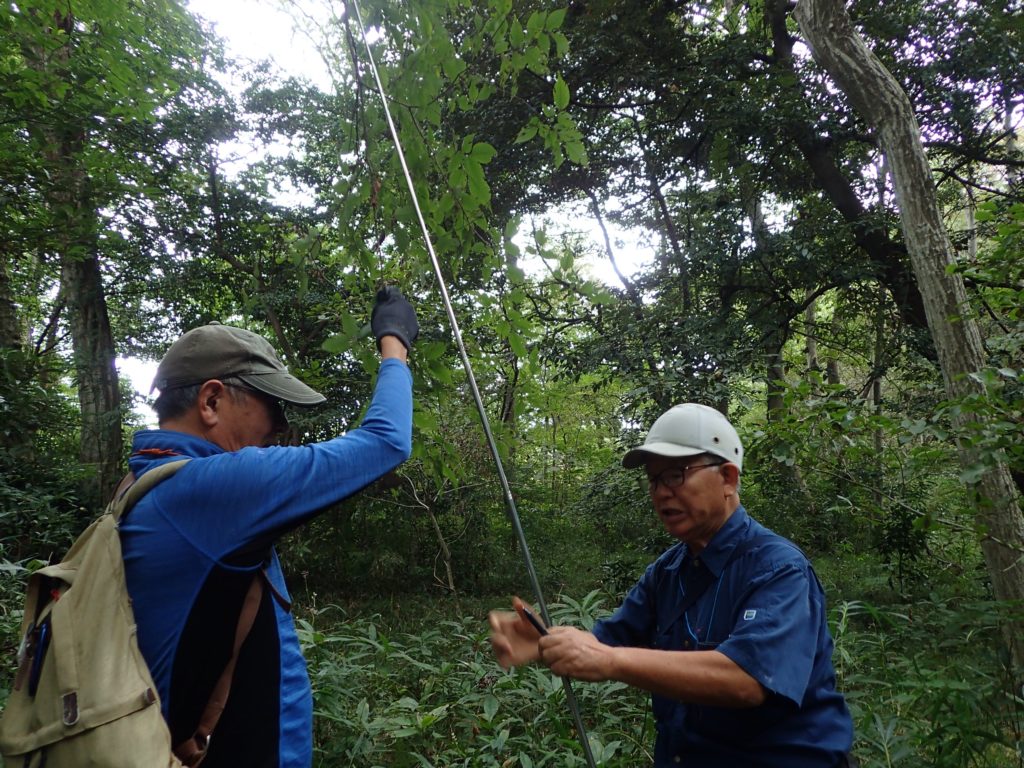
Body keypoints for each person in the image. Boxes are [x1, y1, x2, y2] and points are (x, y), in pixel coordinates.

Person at [120, 288, 418, 768]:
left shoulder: (139, 488)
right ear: (211, 400)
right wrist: (394, 343)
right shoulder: (211, 488)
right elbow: (386, 442)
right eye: (271, 405)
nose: (281, 425)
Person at [489, 403, 854, 767]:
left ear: (728, 478)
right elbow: (607, 642)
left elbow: (748, 679)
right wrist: (542, 641)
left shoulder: (778, 569)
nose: (661, 492)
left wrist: (609, 661)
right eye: (654, 480)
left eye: (676, 475)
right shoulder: (668, 572)